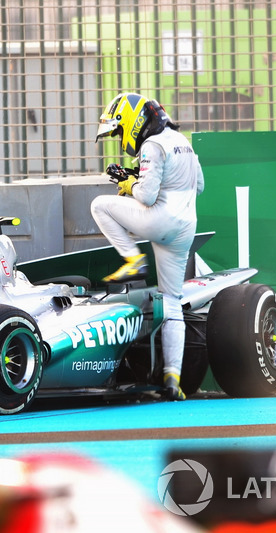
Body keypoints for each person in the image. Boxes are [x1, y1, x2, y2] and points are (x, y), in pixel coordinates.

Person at [91, 92, 204, 401]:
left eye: (118, 130)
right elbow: (200, 184)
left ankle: (133, 260)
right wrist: (136, 178)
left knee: (100, 206)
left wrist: (129, 185)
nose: (120, 137)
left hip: (160, 220)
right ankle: (172, 380)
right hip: (185, 229)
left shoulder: (151, 146)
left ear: (133, 121)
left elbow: (146, 197)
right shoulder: (182, 141)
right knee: (172, 303)